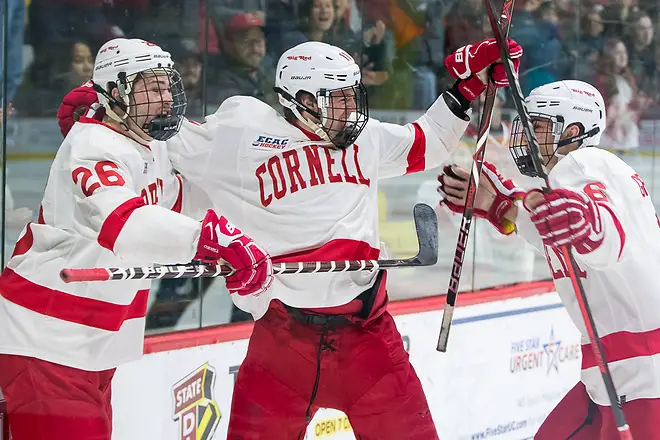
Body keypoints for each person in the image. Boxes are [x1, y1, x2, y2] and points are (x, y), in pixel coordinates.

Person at [57, 37, 523, 439]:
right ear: (301, 99)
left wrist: (467, 88)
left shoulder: (366, 139)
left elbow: (427, 142)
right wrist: (104, 109)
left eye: (351, 94)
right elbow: (156, 130)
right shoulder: (238, 134)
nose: (351, 107)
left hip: (368, 338)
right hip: (282, 340)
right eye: (336, 97)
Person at [0, 38, 273, 440]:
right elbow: (126, 225)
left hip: (91, 341)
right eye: (152, 86)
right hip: (46, 339)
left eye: (167, 86)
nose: (166, 97)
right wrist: (211, 239)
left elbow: (177, 204)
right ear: (114, 91)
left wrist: (254, 209)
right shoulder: (92, 144)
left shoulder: (147, 145)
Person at [438, 79, 660, 439]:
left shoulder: (582, 163)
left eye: (538, 125)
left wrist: (588, 225)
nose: (526, 134)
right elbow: (561, 235)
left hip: (643, 375)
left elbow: (610, 236)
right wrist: (498, 205)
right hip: (615, 370)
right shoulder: (586, 173)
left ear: (571, 131)